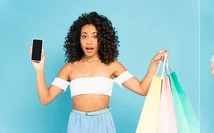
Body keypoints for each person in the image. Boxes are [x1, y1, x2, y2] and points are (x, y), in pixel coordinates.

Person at [30, 11, 167, 133]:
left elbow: (142, 89)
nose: (89, 41)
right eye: (84, 36)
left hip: (103, 122)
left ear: (102, 40)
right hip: (77, 124)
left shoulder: (111, 65)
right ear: (78, 39)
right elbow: (45, 99)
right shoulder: (70, 68)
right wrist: (39, 69)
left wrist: (153, 64)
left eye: (94, 36)